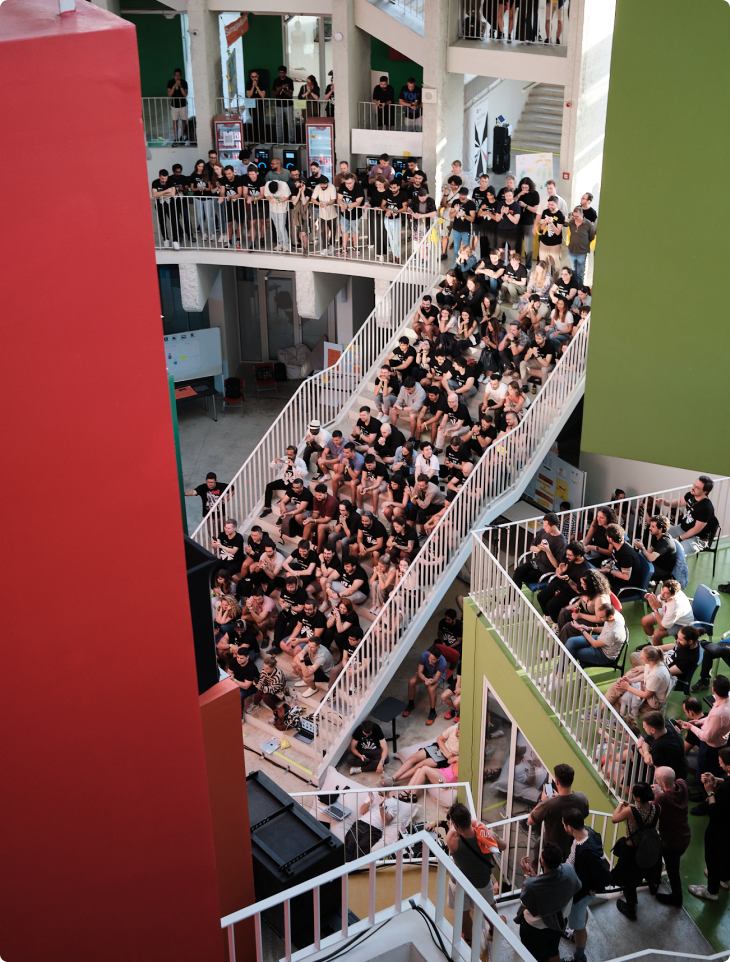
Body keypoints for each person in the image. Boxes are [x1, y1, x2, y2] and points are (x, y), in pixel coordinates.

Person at [445, 802, 508, 947]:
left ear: (455, 824)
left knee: (463, 911)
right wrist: (482, 826)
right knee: (489, 906)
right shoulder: (487, 836)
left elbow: (455, 828)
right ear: (469, 816)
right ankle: (493, 930)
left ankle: (469, 939)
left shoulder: (451, 839)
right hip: (481, 883)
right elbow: (503, 845)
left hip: (459, 883)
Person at [562, 809, 612, 962]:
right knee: (581, 916)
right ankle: (577, 932)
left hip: (581, 892)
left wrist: (593, 888)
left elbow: (605, 876)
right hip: (582, 890)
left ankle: (579, 956)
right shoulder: (589, 833)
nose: (563, 826)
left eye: (564, 824)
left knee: (578, 926)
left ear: (570, 827)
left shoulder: (586, 852)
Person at [518, 842, 581, 962]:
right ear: (561, 859)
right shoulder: (570, 870)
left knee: (536, 957)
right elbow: (560, 888)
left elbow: (524, 902)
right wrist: (536, 879)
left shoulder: (532, 886)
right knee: (553, 951)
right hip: (558, 924)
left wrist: (527, 876)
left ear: (542, 862)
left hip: (535, 930)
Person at [610, 782, 661, 920]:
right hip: (648, 849)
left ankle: (631, 909)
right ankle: (644, 889)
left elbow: (615, 818)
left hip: (631, 850)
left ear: (637, 798)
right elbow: (643, 813)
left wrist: (620, 803)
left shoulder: (630, 811)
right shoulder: (657, 808)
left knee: (629, 879)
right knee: (641, 873)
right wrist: (631, 806)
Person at [687, 746, 730, 902]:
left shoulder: (725, 791)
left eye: (721, 763)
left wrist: (710, 791)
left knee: (713, 857)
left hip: (719, 829)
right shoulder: (726, 785)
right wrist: (718, 780)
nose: (719, 766)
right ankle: (724, 879)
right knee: (726, 853)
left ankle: (711, 891)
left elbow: (714, 813)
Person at [526, 763, 589, 859]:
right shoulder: (582, 797)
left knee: (539, 844)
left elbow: (530, 821)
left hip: (552, 851)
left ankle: (536, 868)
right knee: (539, 842)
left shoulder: (548, 804)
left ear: (557, 782)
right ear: (572, 780)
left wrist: (541, 801)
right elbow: (583, 815)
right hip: (571, 846)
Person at [679, 675, 730, 783]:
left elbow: (708, 737)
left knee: (705, 773)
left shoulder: (718, 713)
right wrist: (700, 721)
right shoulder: (726, 702)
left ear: (713, 689)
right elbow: (714, 718)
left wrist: (692, 727)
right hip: (721, 742)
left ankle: (704, 793)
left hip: (710, 749)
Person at [604, 645, 671, 718]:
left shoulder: (656, 674)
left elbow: (646, 695)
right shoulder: (653, 663)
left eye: (642, 657)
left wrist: (628, 687)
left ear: (651, 661)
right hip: (646, 689)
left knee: (618, 698)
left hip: (652, 704)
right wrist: (630, 681)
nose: (639, 658)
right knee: (616, 685)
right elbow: (645, 676)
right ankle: (601, 709)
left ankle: (615, 722)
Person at [537, 541, 591, 623]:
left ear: (579, 555)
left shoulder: (585, 571)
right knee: (541, 596)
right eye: (567, 553)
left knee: (551, 606)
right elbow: (558, 571)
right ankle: (548, 617)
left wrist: (567, 579)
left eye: (569, 555)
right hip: (561, 583)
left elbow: (579, 591)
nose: (567, 556)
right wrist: (560, 572)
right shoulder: (568, 558)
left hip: (571, 592)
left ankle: (557, 624)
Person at [661, 476, 716, 555]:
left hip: (697, 538)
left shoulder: (706, 508)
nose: (693, 488)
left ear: (705, 492)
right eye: (694, 485)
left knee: (678, 552)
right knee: (661, 534)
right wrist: (665, 502)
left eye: (697, 487)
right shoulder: (691, 495)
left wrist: (680, 538)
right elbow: (679, 502)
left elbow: (696, 529)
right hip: (682, 528)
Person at [564, 603, 627, 669]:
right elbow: (605, 628)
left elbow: (595, 644)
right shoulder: (615, 614)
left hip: (604, 655)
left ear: (610, 617)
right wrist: (588, 628)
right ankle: (559, 674)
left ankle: (558, 675)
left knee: (570, 651)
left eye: (601, 617)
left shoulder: (614, 632)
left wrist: (582, 630)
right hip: (601, 639)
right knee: (570, 641)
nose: (598, 618)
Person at [512, 513, 567, 589]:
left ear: (554, 526)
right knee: (518, 571)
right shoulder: (543, 532)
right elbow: (531, 547)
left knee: (519, 577)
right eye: (543, 524)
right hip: (536, 562)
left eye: (546, 526)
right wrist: (539, 549)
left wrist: (548, 551)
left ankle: (510, 599)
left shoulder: (561, 542)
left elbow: (557, 566)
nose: (543, 527)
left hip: (546, 570)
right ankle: (512, 599)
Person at [402, 646, 447, 725]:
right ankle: (411, 704)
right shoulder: (424, 656)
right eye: (429, 658)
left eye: (433, 659)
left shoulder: (443, 663)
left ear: (438, 659)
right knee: (411, 682)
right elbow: (419, 672)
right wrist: (426, 679)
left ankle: (433, 712)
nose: (430, 660)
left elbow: (436, 678)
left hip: (436, 675)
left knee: (431, 689)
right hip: (425, 672)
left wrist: (431, 681)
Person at [637, 712, 688, 781]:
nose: (643, 727)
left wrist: (639, 748)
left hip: (673, 778)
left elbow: (651, 762)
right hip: (681, 764)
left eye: (645, 727)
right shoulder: (665, 726)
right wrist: (646, 753)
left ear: (653, 730)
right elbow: (646, 741)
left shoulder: (659, 746)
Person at [640, 579, 693, 643]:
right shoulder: (667, 595)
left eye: (666, 593)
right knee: (645, 621)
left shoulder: (674, 608)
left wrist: (654, 608)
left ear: (673, 595)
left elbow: (662, 627)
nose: (662, 594)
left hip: (682, 624)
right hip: (669, 614)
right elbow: (660, 604)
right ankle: (652, 644)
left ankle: (657, 652)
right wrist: (653, 600)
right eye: (662, 590)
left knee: (657, 634)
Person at [260, 446, 307, 518]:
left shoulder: (300, 462)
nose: (289, 456)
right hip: (286, 480)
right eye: (288, 454)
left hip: (295, 483)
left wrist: (294, 466)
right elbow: (273, 466)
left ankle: (282, 515)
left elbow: (305, 473)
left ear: (296, 454)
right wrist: (275, 462)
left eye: (291, 454)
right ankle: (268, 509)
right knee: (269, 486)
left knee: (288, 495)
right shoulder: (285, 459)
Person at [633, 514, 677, 583]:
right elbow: (649, 551)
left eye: (653, 526)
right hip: (654, 563)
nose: (649, 528)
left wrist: (642, 548)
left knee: (637, 571)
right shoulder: (656, 535)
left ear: (660, 529)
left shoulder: (665, 542)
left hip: (662, 570)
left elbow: (650, 558)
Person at [600, 523, 642, 592]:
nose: (606, 536)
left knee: (600, 592)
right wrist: (608, 566)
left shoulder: (626, 554)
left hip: (626, 585)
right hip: (617, 577)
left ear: (611, 539)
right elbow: (614, 560)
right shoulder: (616, 546)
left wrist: (608, 571)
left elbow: (626, 576)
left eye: (606, 535)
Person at [301, 483, 339, 552]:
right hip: (323, 516)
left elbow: (326, 520)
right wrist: (311, 518)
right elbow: (316, 512)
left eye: (320, 495)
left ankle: (318, 550)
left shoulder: (331, 502)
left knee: (321, 526)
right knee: (308, 523)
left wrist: (314, 520)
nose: (317, 497)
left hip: (333, 520)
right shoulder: (315, 498)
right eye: (316, 495)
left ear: (325, 493)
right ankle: (303, 547)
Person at [151, 169, 181, 249]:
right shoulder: (155, 182)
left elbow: (172, 193)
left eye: (165, 178)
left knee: (174, 222)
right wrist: (166, 191)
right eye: (162, 178)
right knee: (162, 223)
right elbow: (154, 194)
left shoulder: (170, 181)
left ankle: (175, 241)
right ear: (159, 176)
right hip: (160, 206)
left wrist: (160, 193)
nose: (164, 180)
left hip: (170, 206)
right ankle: (166, 239)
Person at [566, 207, 596, 286]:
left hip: (582, 253)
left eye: (576, 216)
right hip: (571, 251)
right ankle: (574, 288)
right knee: (574, 272)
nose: (574, 218)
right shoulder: (571, 222)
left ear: (582, 215)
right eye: (573, 216)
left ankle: (579, 288)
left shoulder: (588, 224)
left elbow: (591, 236)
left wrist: (583, 243)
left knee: (580, 273)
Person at [516, 176, 541, 268]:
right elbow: (511, 202)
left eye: (526, 188)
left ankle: (528, 267)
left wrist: (525, 206)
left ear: (530, 187)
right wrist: (519, 195)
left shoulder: (535, 194)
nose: (524, 189)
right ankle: (516, 265)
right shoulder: (517, 192)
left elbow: (536, 210)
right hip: (517, 222)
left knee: (528, 247)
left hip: (528, 222)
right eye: (522, 187)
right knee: (517, 246)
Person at [337, 172, 364, 256]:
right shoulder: (342, 186)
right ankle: (344, 248)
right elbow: (339, 199)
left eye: (349, 183)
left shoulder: (359, 188)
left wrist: (347, 206)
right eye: (346, 183)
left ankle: (355, 247)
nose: (347, 185)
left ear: (354, 181)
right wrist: (341, 204)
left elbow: (358, 202)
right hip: (344, 214)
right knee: (344, 231)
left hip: (355, 215)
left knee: (355, 231)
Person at [227, 648, 260, 716]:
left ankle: (240, 716)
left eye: (241, 658)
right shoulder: (234, 661)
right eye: (238, 657)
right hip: (237, 682)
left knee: (239, 695)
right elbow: (229, 672)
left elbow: (246, 686)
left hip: (250, 687)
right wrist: (230, 675)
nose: (238, 659)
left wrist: (234, 680)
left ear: (247, 657)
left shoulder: (252, 669)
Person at [310, 175, 338, 254]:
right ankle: (325, 248)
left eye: (324, 184)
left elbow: (333, 200)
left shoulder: (332, 187)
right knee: (323, 231)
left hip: (332, 213)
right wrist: (319, 204)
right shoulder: (317, 187)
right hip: (322, 214)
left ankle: (332, 246)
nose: (322, 186)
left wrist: (327, 204)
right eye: (321, 184)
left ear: (327, 183)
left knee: (333, 231)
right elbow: (312, 199)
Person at [535, 196, 564, 265]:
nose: (550, 206)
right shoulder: (545, 211)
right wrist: (545, 222)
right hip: (543, 243)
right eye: (549, 204)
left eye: (552, 205)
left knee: (555, 266)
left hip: (555, 244)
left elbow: (557, 232)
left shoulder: (560, 215)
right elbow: (541, 228)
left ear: (557, 204)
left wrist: (551, 223)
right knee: (543, 265)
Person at [264, 178, 291, 250]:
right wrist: (270, 199)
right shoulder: (267, 184)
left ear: (278, 186)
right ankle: (280, 243)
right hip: (273, 209)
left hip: (282, 209)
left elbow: (287, 197)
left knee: (282, 227)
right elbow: (266, 196)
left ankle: (286, 244)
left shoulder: (284, 185)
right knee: (277, 227)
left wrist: (278, 201)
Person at [272, 66, 295, 143]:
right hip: (279, 105)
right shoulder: (276, 81)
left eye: (283, 73)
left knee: (290, 123)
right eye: (280, 73)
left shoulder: (290, 81)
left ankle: (292, 140)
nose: (281, 74)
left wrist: (282, 90)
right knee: (279, 124)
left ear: (285, 72)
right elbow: (273, 94)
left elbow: (290, 95)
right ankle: (280, 140)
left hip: (288, 105)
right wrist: (280, 88)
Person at [167, 68, 188, 144]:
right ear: (174, 76)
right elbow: (170, 95)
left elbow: (185, 95)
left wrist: (180, 86)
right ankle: (176, 139)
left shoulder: (184, 83)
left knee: (183, 121)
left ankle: (182, 137)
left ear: (181, 76)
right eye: (176, 76)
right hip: (174, 105)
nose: (177, 77)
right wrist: (174, 86)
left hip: (183, 105)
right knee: (175, 121)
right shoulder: (170, 82)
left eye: (179, 76)